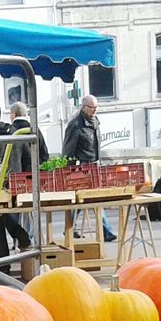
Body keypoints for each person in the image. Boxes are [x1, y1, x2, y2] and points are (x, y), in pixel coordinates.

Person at [0, 101, 48, 261]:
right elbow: (44, 155)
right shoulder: (34, 129)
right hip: (34, 180)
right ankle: (27, 241)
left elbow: (10, 160)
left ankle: (24, 240)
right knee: (28, 212)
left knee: (6, 213)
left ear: (13, 114)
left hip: (15, 180)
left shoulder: (12, 132)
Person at [62, 96, 116, 242]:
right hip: (82, 166)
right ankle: (71, 228)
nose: (94, 111)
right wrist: (70, 170)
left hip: (94, 164)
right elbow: (68, 150)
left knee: (91, 199)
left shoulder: (95, 122)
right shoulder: (75, 124)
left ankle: (103, 230)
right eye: (92, 108)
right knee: (81, 200)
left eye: (96, 108)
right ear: (84, 107)